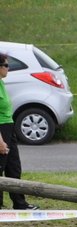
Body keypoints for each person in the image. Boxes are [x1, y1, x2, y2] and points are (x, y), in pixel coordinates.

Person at [0, 53, 39, 210]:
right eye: (6, 65)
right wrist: (1, 141)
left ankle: (19, 203)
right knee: (0, 167)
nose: (8, 69)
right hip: (1, 130)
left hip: (9, 127)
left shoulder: (1, 83)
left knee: (14, 167)